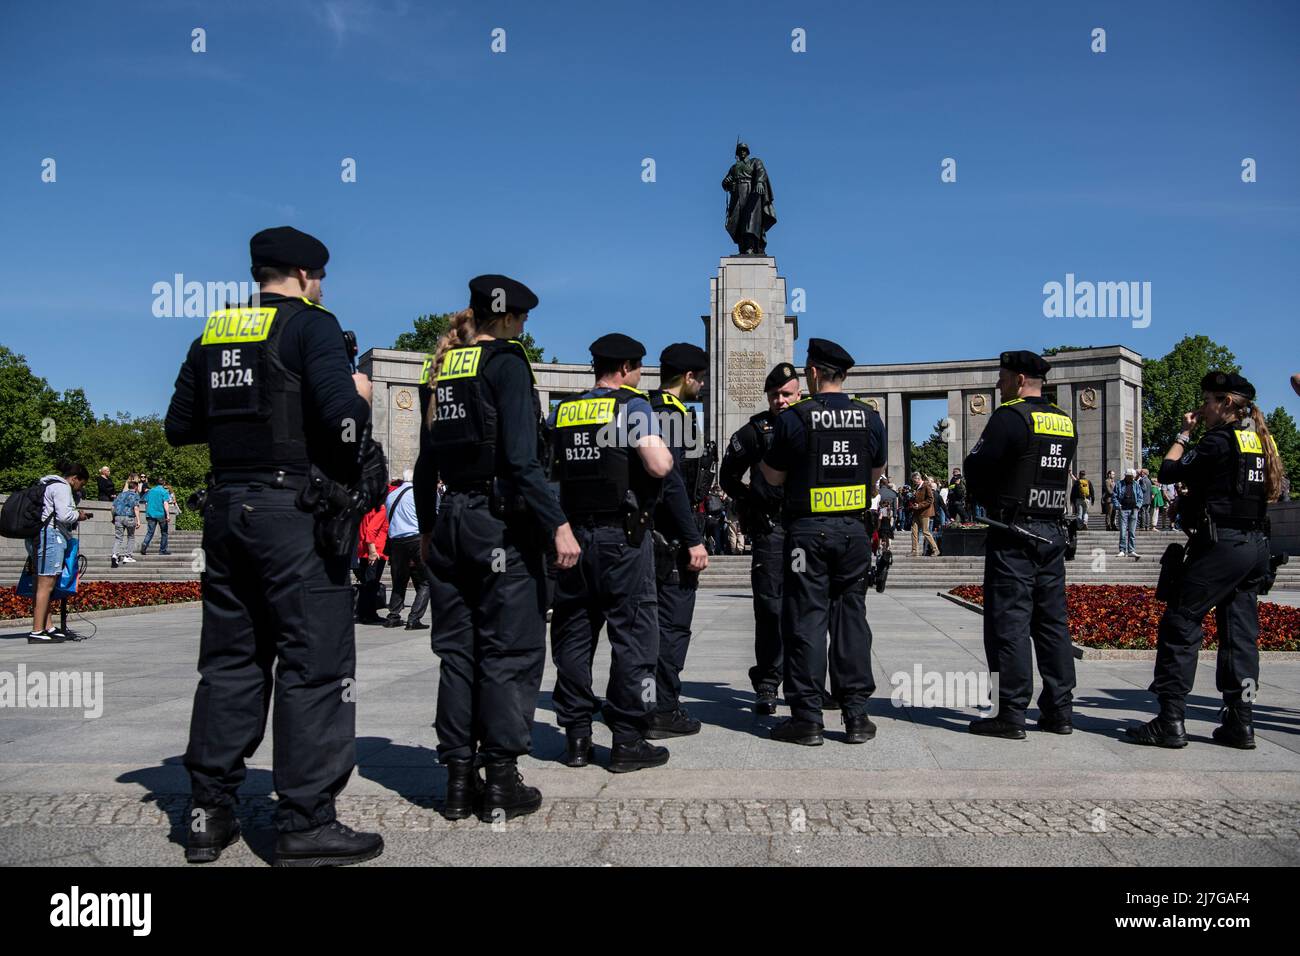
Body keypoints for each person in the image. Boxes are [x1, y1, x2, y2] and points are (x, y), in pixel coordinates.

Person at [166, 225, 386, 865]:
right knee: (313, 664)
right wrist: (361, 397)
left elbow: (179, 427)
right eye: (321, 276)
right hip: (292, 514)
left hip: (227, 510)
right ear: (305, 275)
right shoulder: (312, 325)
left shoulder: (215, 330)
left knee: (230, 663)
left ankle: (208, 813)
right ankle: (306, 821)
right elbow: (343, 429)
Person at [415, 275, 579, 821]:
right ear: (509, 320)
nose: (525, 329)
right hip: (499, 524)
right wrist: (557, 524)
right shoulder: (507, 362)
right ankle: (503, 781)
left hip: (453, 523)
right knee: (510, 652)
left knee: (458, 654)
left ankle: (459, 781)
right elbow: (521, 458)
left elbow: (423, 463)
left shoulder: (442, 366)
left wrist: (433, 527)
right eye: (524, 321)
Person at [1126, 371, 1281, 750]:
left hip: (1221, 545)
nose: (1202, 409)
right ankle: (1241, 722)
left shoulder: (1219, 439)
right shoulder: (1260, 440)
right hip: (1254, 546)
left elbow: (1168, 470)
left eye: (1208, 401)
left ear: (1226, 403)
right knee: (1240, 636)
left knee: (1181, 622)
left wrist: (1183, 434)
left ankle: (1170, 719)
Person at [548, 332, 673, 772]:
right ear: (624, 370)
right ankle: (626, 739)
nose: (640, 378)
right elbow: (656, 464)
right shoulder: (631, 405)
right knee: (634, 636)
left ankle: (577, 736)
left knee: (574, 637)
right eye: (638, 370)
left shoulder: (564, 411)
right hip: (622, 538)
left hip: (573, 539)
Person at [760, 338, 887, 746]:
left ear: (812, 373)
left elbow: (774, 477)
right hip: (853, 532)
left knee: (806, 620)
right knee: (851, 619)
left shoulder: (795, 418)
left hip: (806, 534)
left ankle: (808, 718)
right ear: (843, 375)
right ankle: (856, 716)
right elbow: (876, 474)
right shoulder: (870, 417)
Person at [963, 350, 1077, 738]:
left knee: (1008, 624)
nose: (998, 383)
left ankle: (1011, 712)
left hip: (1013, 532)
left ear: (1019, 379)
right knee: (1052, 625)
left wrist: (988, 496)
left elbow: (976, 466)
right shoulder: (1064, 421)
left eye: (1003, 376)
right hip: (1051, 531)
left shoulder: (1010, 417)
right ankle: (1060, 710)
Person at [721, 363, 802, 715]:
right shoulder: (757, 431)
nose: (781, 400)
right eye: (775, 395)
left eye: (787, 394)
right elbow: (727, 476)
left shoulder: (812, 424)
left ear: (800, 394)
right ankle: (768, 682)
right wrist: (752, 500)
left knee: (807, 607)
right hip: (771, 531)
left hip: (806, 530)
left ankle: (806, 682)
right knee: (769, 607)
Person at [645, 343, 711, 738]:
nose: (702, 386)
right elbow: (673, 487)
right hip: (669, 540)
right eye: (700, 379)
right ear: (687, 377)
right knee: (673, 627)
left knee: (642, 627)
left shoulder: (638, 411)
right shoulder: (675, 419)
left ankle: (639, 702)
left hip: (636, 536)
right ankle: (663, 709)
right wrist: (692, 539)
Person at [23, 462, 91, 642]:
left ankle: (47, 626)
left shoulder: (46, 485)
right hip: (51, 538)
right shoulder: (62, 488)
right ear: (75, 478)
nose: (79, 487)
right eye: (81, 484)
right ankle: (37, 631)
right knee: (47, 584)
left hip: (39, 537)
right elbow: (64, 516)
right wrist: (79, 515)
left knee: (41, 583)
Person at [383, 470, 431, 630]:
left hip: (396, 541)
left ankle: (393, 616)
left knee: (399, 580)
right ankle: (414, 618)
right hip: (416, 538)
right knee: (427, 580)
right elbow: (431, 517)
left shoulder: (391, 496)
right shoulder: (419, 494)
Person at [353, 484, 391, 625]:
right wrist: (373, 552)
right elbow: (371, 531)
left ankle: (365, 613)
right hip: (375, 552)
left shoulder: (367, 509)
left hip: (364, 551)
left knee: (368, 584)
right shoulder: (380, 510)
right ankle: (368, 614)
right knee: (371, 584)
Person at [110, 479, 143, 568]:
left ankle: (114, 555)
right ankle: (128, 556)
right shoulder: (135, 495)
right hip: (129, 518)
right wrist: (139, 520)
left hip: (118, 517)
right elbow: (136, 508)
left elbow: (113, 507)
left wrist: (113, 518)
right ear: (135, 487)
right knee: (131, 536)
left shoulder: (121, 494)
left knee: (118, 538)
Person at [138, 474, 173, 555]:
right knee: (164, 532)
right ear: (163, 483)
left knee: (150, 532)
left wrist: (147, 512)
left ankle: (144, 544)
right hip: (161, 515)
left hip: (150, 514)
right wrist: (167, 515)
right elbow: (165, 503)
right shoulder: (164, 491)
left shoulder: (151, 491)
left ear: (157, 482)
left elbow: (146, 502)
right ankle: (162, 550)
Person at [1113, 468, 1144, 558]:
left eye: (1132, 477)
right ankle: (1122, 550)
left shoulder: (1136, 484)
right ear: (1126, 476)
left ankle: (1131, 550)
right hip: (1123, 509)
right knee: (1122, 531)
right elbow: (1114, 496)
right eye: (1129, 477)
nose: (1131, 478)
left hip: (1134, 510)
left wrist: (1138, 506)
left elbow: (1140, 496)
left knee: (1132, 532)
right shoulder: (1119, 484)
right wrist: (1118, 506)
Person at [909, 471, 941, 556]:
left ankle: (935, 550)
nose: (914, 482)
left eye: (914, 480)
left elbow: (930, 499)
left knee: (925, 531)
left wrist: (919, 505)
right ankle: (914, 551)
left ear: (918, 478)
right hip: (916, 512)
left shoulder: (926, 486)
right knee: (914, 531)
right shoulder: (917, 487)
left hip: (925, 512)